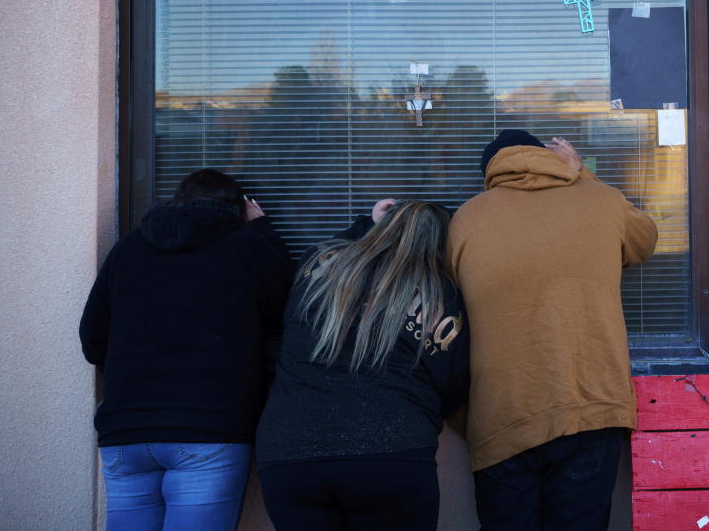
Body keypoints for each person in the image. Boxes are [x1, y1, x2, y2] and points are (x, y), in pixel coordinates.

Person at [449, 129, 658, 530]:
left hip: (501, 414)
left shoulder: (468, 218)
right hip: (590, 408)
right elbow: (644, 240)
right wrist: (582, 177)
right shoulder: (601, 202)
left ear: (490, 172)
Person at [79, 168, 293, 531]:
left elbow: (93, 339)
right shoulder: (246, 246)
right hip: (208, 428)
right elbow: (290, 308)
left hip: (126, 429)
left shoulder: (130, 247)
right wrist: (262, 229)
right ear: (240, 207)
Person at [255, 198, 469, 531]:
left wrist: (366, 225)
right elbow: (453, 382)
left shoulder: (319, 264)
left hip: (291, 453)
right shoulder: (441, 295)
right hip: (392, 454)